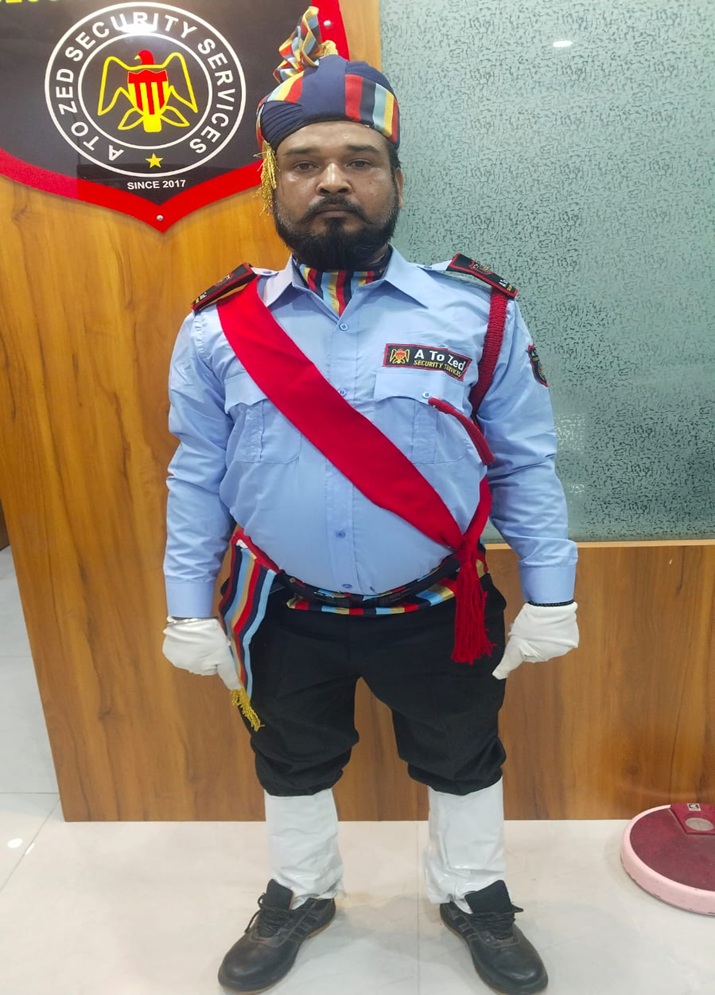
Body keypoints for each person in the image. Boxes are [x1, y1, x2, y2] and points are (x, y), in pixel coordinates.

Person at [162, 8, 578, 994]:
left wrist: (552, 589)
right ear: (273, 181)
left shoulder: (478, 313)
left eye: (360, 160)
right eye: (305, 162)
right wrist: (186, 604)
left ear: (396, 178)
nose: (333, 180)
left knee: (464, 754)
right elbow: (196, 471)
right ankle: (300, 889)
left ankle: (472, 891)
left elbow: (523, 462)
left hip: (438, 606)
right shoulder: (219, 328)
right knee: (291, 757)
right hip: (280, 608)